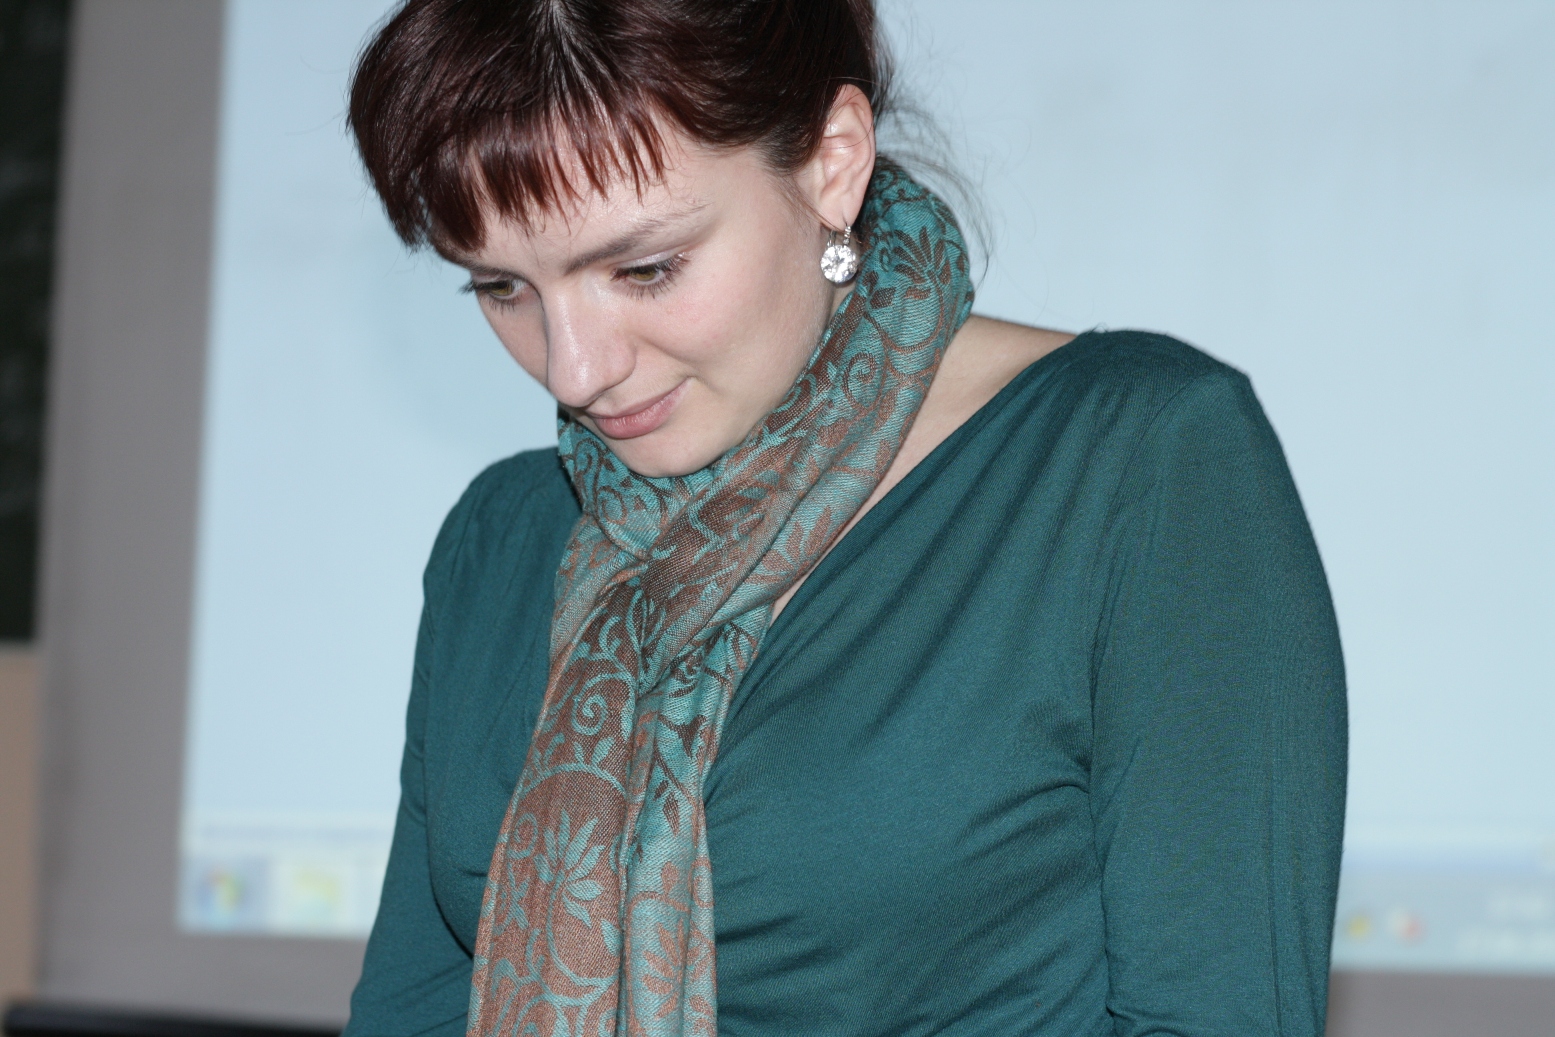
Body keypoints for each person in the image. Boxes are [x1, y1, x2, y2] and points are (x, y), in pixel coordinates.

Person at [341, 1, 1347, 1035]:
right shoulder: (502, 536)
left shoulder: (1136, 461)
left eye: (644, 268)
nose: (573, 368)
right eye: (502, 287)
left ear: (834, 160)